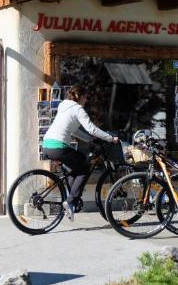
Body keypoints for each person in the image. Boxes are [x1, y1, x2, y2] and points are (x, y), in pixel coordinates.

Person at [41, 85, 119, 213]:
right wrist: (110, 138)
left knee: (76, 167)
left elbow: (74, 130)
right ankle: (71, 201)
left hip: (47, 145)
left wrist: (89, 139)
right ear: (81, 96)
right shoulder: (78, 109)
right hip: (59, 147)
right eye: (86, 97)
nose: (86, 100)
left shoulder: (63, 105)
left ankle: (72, 199)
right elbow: (92, 129)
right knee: (84, 167)